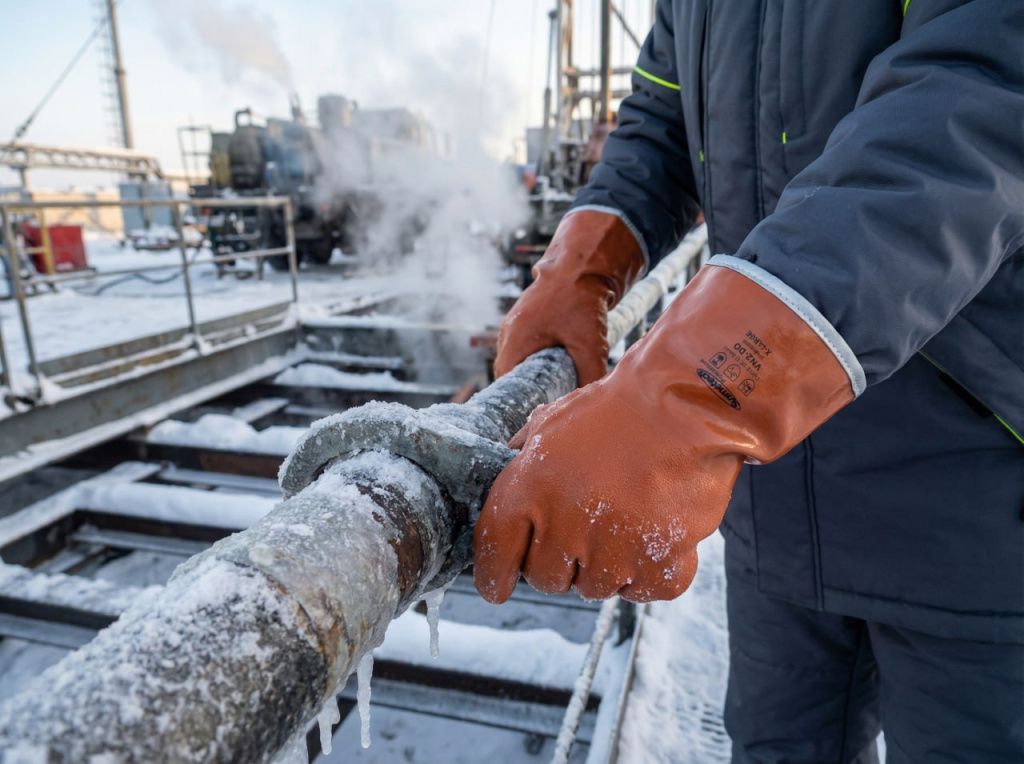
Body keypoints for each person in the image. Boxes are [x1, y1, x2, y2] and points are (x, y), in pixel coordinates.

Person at [472, 1, 1024, 761]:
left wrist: (690, 396)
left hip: (969, 493)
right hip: (774, 505)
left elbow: (974, 105)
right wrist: (583, 261)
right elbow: (657, 126)